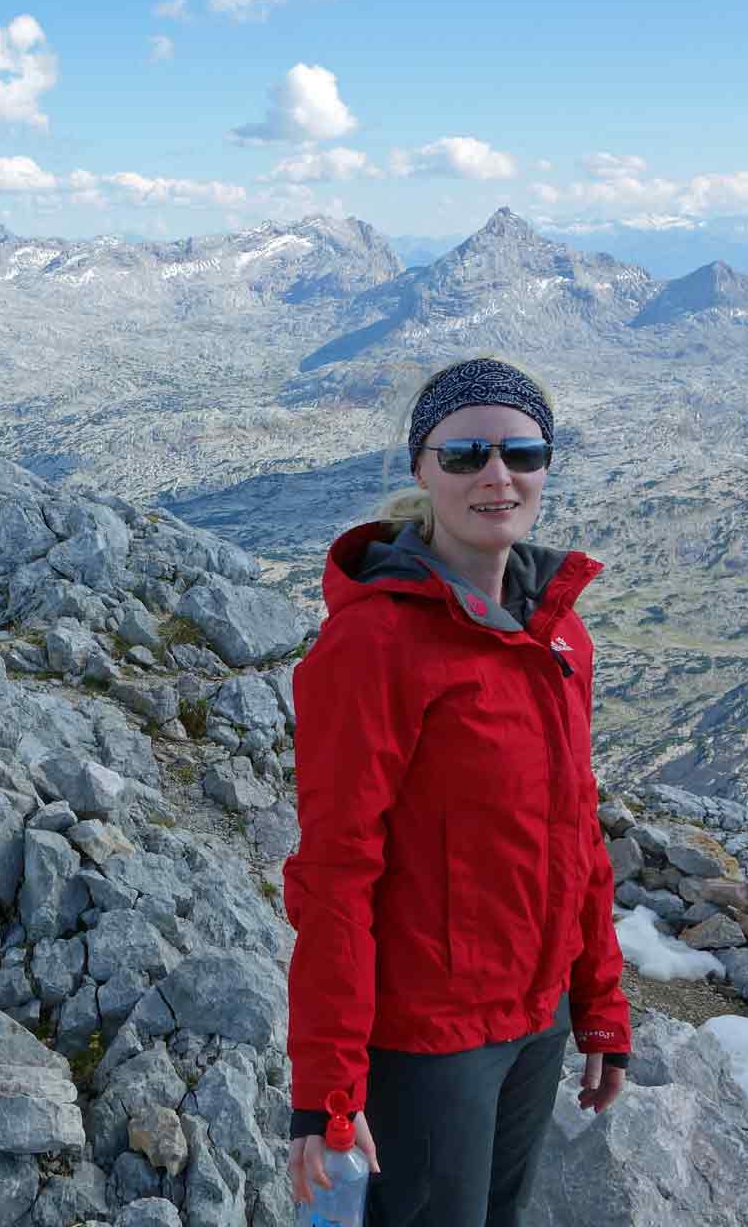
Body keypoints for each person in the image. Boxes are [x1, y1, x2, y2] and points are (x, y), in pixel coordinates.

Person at [283, 355, 632, 1227]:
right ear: (421, 470)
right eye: (465, 453)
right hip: (432, 1040)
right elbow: (335, 873)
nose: (496, 475)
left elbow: (575, 836)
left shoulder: (558, 632)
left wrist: (598, 1005)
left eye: (521, 451)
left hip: (537, 1019)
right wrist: (326, 1090)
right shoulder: (371, 646)